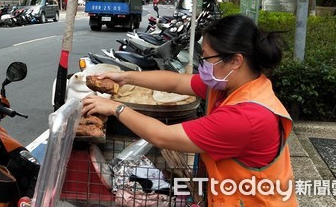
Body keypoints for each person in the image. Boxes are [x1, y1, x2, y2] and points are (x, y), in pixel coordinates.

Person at [82, 14, 297, 206]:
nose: (202, 65)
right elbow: (176, 83)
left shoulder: (245, 118)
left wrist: (115, 108)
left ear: (235, 61)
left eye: (206, 58)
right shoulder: (230, 85)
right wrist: (125, 76)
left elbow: (163, 136)